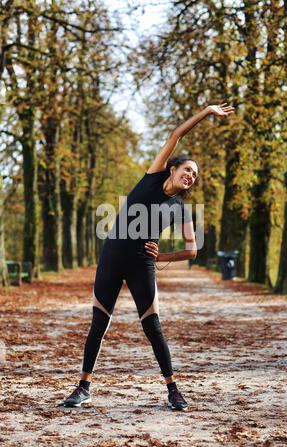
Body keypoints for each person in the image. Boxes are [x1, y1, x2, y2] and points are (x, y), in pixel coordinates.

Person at [61, 103, 235, 411]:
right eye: (187, 170)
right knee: (98, 323)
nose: (191, 176)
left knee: (153, 327)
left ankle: (173, 391)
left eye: (195, 175)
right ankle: (83, 387)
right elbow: (176, 134)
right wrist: (207, 112)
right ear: (173, 169)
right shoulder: (153, 175)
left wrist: (163, 255)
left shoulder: (181, 210)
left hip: (142, 264)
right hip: (112, 256)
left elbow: (193, 249)